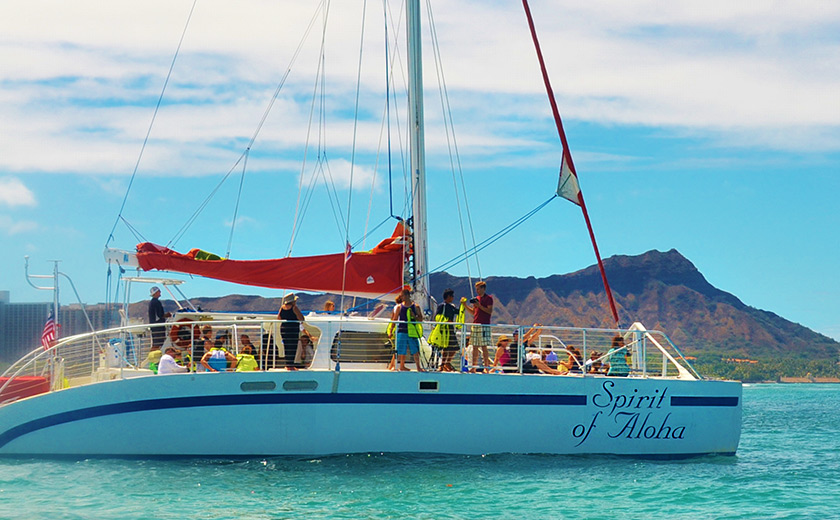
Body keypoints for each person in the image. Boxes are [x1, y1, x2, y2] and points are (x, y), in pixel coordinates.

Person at [389, 288, 425, 372]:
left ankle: (418, 367)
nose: (402, 298)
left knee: (415, 349)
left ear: (408, 296)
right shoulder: (399, 307)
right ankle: (401, 366)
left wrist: (414, 316)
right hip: (402, 330)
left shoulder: (415, 306)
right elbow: (394, 319)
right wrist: (391, 330)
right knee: (401, 349)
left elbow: (420, 319)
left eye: (403, 296)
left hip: (412, 331)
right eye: (401, 296)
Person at [430, 288, 461, 372]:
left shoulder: (452, 307)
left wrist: (463, 305)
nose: (453, 298)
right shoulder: (442, 306)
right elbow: (437, 317)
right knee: (446, 348)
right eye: (452, 296)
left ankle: (447, 363)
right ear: (448, 296)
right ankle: (443, 365)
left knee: (453, 348)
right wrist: (446, 321)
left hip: (450, 329)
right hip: (444, 329)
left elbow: (459, 313)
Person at [464, 281, 493, 371]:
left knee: (484, 346)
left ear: (483, 288)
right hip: (476, 324)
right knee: (475, 346)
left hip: (484, 324)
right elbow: (474, 312)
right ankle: (474, 367)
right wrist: (465, 305)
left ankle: (486, 367)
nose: (477, 291)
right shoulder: (476, 298)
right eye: (476, 289)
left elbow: (489, 311)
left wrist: (479, 305)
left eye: (479, 289)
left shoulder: (489, 298)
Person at [278, 293, 305, 370]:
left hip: (284, 328)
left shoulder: (282, 308)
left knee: (286, 346)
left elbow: (279, 318)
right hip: (292, 329)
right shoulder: (294, 308)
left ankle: (287, 364)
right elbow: (301, 318)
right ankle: (291, 365)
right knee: (293, 346)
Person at [148, 286, 170, 350]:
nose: (160, 292)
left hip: (155, 326)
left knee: (157, 343)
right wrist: (167, 315)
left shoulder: (153, 302)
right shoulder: (156, 302)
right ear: (156, 293)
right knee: (158, 343)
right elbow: (159, 315)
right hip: (158, 327)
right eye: (159, 291)